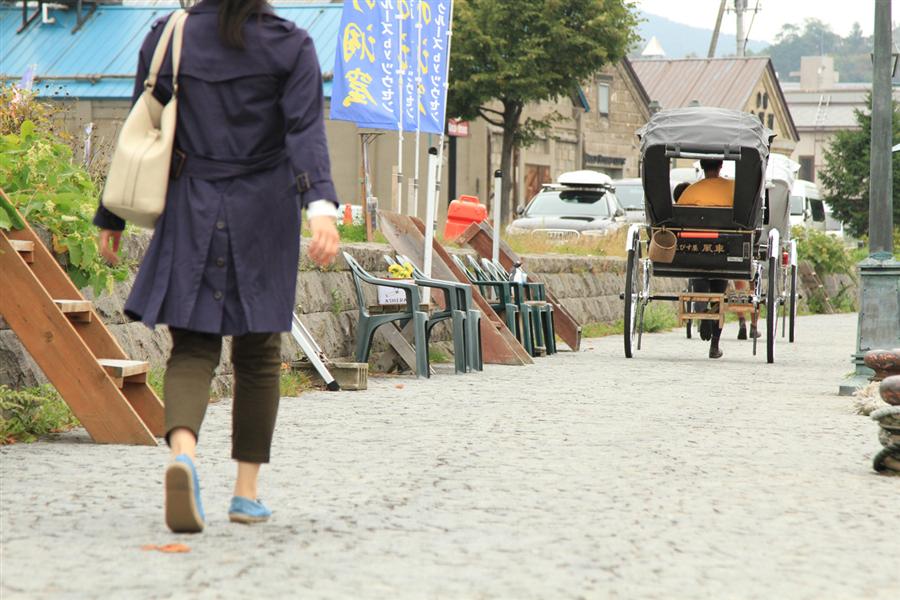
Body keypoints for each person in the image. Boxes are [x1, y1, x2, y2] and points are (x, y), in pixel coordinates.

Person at [94, 0, 340, 533]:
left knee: (193, 345)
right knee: (257, 352)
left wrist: (111, 213)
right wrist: (321, 207)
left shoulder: (171, 35)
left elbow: (145, 128)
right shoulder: (290, 44)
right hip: (265, 210)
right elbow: (304, 132)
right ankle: (246, 494)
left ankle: (182, 455)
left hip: (191, 203)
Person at [676, 159, 735, 358]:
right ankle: (714, 345)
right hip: (725, 251)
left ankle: (701, 309)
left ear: (702, 167)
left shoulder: (689, 192)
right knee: (719, 289)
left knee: (699, 276)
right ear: (720, 167)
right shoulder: (733, 188)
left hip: (694, 251)